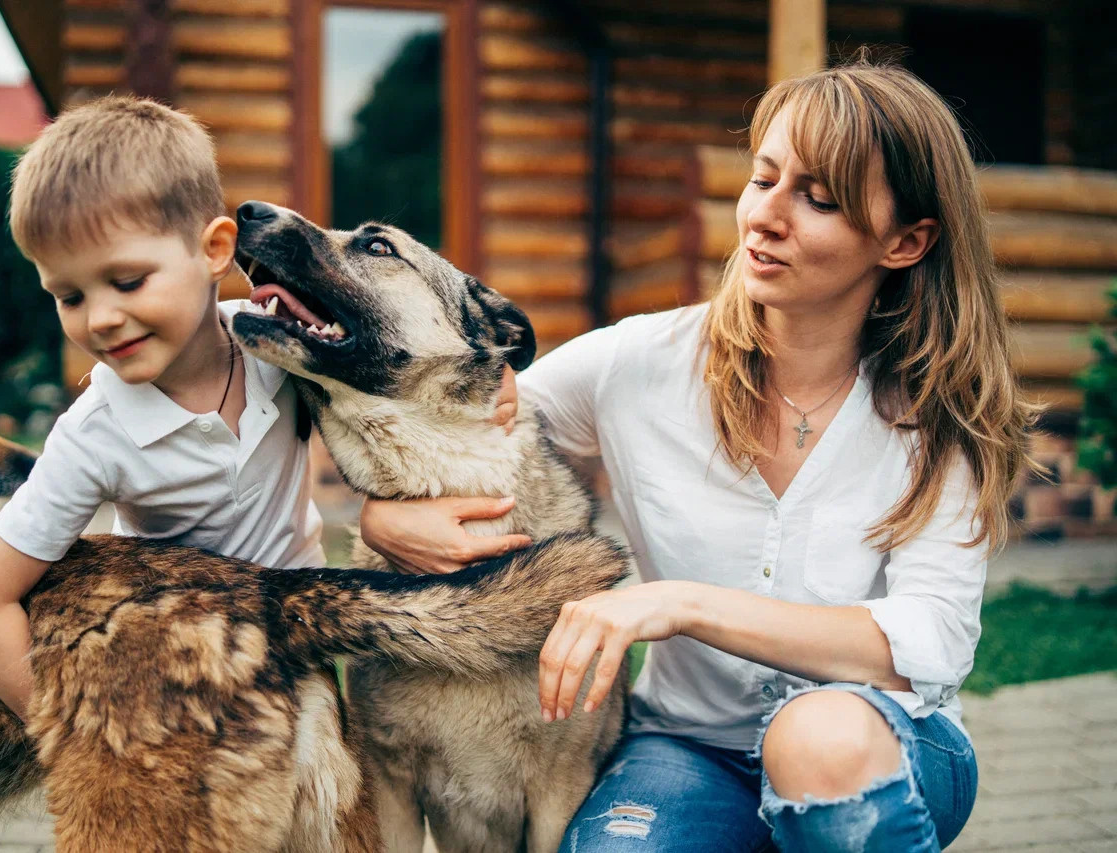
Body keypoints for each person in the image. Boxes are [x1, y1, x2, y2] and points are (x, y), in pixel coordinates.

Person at [359, 58, 1037, 851]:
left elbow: (931, 643)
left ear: (905, 240)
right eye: (764, 178)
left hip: (881, 745)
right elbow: (475, 435)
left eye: (818, 198)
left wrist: (679, 602)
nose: (765, 216)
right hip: (688, 750)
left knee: (817, 740)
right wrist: (384, 516)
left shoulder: (939, 412)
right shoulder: (637, 362)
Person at [0, 96, 327, 721]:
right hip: (187, 694)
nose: (99, 318)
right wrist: (76, 741)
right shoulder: (93, 436)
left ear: (214, 251)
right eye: (68, 296)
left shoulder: (278, 345)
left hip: (309, 655)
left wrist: (501, 381)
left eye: (127, 282)